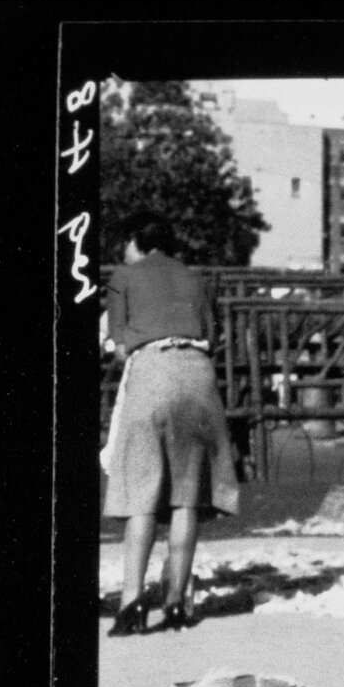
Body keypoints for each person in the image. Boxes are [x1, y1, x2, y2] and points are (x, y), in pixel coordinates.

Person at [100, 213, 241, 636]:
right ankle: (176, 603)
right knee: (187, 495)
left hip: (153, 372)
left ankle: (131, 604)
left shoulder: (124, 275)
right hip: (199, 378)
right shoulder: (196, 278)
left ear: (134, 241)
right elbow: (212, 337)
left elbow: (122, 345)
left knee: (142, 492)